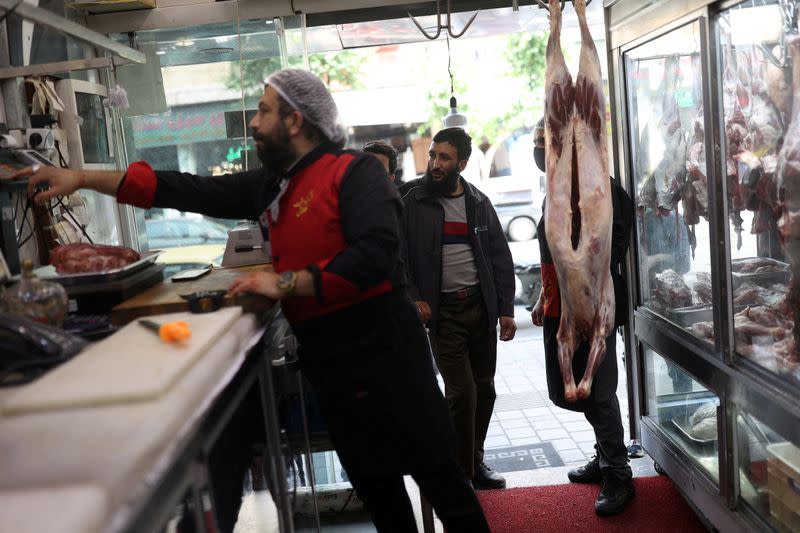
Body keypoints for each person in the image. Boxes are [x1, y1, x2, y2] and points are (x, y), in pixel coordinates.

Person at [9, 69, 489, 533]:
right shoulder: (273, 184)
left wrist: (282, 284)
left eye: (264, 111)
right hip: (335, 373)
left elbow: (374, 256)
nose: (254, 123)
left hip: (390, 364)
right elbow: (187, 188)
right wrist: (80, 177)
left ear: (296, 120)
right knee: (383, 502)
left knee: (446, 489)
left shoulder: (356, 172)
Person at [530, 118, 636, 516]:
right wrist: (546, 296)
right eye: (537, 141)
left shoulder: (599, 188)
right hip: (562, 307)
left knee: (599, 392)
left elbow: (612, 248)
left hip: (592, 309)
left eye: (548, 141)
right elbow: (551, 251)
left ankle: (618, 474)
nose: (541, 149)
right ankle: (604, 455)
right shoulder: (555, 189)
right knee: (578, 392)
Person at [402, 127, 517, 490]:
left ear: (462, 164)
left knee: (485, 390)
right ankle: (461, 474)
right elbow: (399, 256)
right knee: (462, 392)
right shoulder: (413, 201)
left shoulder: (479, 203)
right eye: (434, 155)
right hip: (443, 314)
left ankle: (474, 460)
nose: (435, 163)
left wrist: (506, 309)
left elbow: (500, 258)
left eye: (444, 158)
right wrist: (413, 296)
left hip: (480, 310)